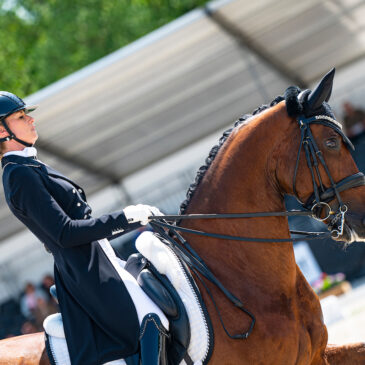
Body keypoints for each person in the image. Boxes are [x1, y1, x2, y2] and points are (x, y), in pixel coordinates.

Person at [0, 91, 169, 365]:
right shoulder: (19, 175)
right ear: (1, 130)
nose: (30, 119)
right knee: (151, 319)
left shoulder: (29, 165)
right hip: (85, 269)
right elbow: (64, 232)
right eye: (20, 116)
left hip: (98, 258)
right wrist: (124, 218)